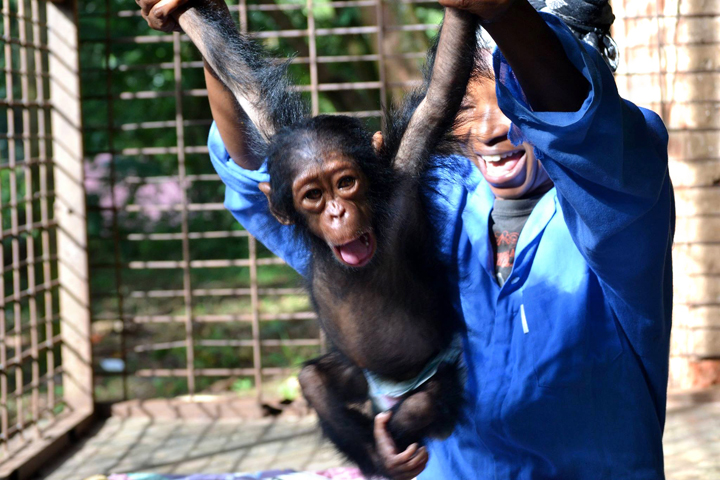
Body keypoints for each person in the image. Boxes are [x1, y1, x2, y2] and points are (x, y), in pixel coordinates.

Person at [137, 0, 675, 477]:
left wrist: (504, 14)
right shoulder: (426, 197)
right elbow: (262, 164)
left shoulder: (626, 190)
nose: (491, 126)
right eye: (474, 97)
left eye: (516, 94)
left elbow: (585, 132)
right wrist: (204, 19)